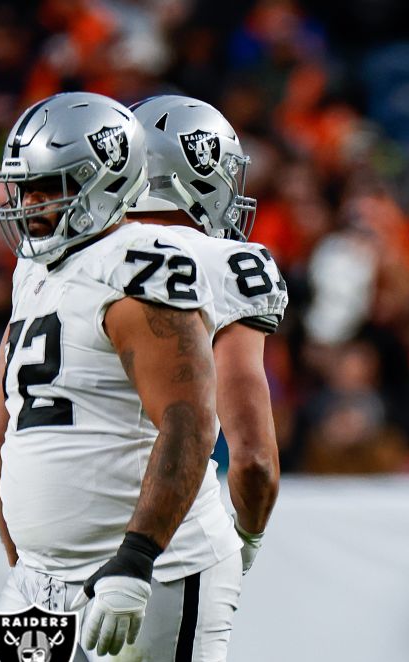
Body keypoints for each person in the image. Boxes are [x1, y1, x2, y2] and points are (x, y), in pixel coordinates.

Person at [0, 92, 241, 662]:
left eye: (47, 188)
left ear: (105, 179)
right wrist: (28, 553)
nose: (30, 207)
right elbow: (1, 430)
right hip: (44, 582)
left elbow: (190, 422)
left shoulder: (143, 267)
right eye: (23, 191)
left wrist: (137, 555)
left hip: (152, 571)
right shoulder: (33, 272)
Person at [127, 94, 288, 576]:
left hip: (60, 533)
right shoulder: (227, 263)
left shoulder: (56, 265)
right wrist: (248, 538)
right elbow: (255, 457)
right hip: (171, 536)